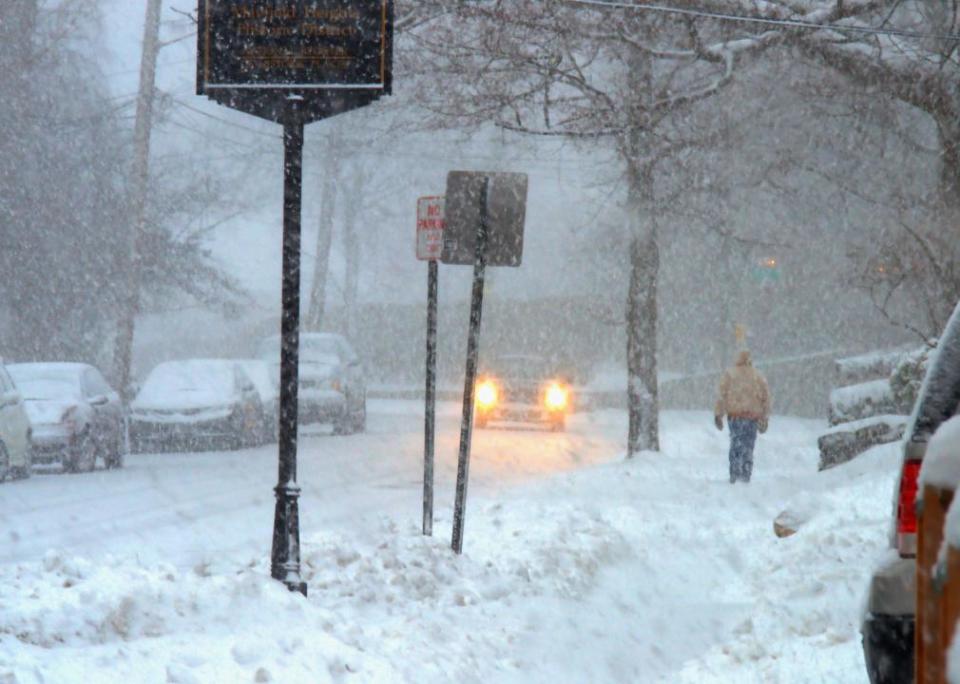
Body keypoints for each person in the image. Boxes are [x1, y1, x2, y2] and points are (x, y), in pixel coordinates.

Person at [714, 350, 770, 483]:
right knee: (748, 445)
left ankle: (735, 472)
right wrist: (765, 417)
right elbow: (766, 398)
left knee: (736, 443)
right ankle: (746, 472)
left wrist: (718, 414)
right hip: (752, 417)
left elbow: (722, 396)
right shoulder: (757, 375)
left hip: (735, 416)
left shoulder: (730, 374)